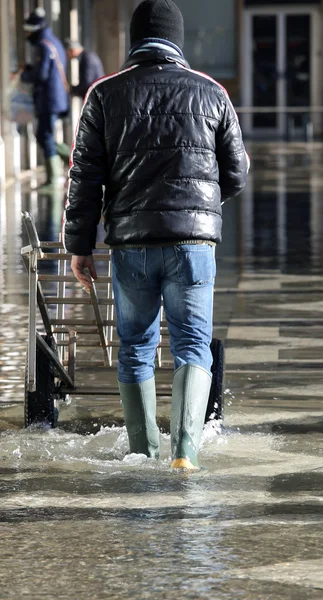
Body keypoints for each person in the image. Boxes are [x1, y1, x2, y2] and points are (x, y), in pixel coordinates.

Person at [64, 0, 249, 470]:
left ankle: (142, 452)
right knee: (192, 343)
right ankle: (184, 455)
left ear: (134, 40)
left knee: (136, 348)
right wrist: (201, 208)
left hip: (131, 246)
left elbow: (84, 177)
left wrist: (78, 247)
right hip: (193, 247)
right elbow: (238, 172)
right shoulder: (212, 93)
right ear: (177, 40)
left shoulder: (104, 95)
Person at [21, 8, 69, 189]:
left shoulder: (43, 45)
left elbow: (41, 75)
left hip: (49, 100)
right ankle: (70, 162)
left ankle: (56, 176)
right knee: (45, 135)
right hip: (55, 99)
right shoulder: (54, 42)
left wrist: (25, 74)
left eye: (27, 32)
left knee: (45, 135)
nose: (26, 35)